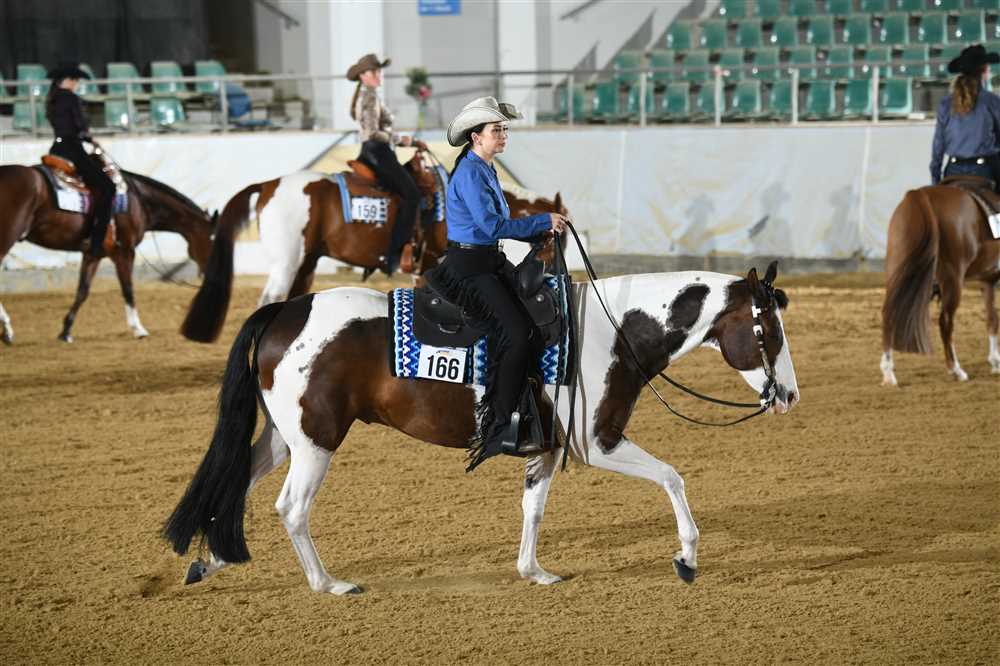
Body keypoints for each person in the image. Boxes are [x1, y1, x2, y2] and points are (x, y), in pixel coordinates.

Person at [438, 96, 570, 472]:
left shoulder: (484, 168)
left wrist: (537, 232)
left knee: (534, 319)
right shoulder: (470, 172)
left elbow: (496, 225)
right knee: (515, 333)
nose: (503, 135)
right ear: (476, 136)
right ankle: (497, 424)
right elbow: (492, 226)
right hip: (470, 268)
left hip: (487, 261)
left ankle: (527, 410)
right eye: (497, 130)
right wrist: (541, 221)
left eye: (504, 129)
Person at [347, 53, 427, 274]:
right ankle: (395, 255)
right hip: (378, 152)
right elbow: (372, 133)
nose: (378, 75)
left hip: (377, 151)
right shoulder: (369, 97)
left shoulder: (368, 95)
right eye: (374, 71)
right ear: (363, 76)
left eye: (379, 71)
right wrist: (404, 140)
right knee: (412, 195)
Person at [45, 62, 116, 258]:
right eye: (75, 81)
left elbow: (62, 125)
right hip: (73, 149)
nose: (76, 84)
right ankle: (96, 241)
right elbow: (78, 125)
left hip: (57, 147)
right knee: (108, 188)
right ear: (68, 80)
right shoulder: (70, 98)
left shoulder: (52, 98)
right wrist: (89, 138)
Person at [930, 44, 1000, 188]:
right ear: (985, 70)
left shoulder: (946, 104)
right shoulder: (992, 101)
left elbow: (938, 145)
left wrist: (935, 180)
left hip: (953, 169)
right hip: (984, 170)